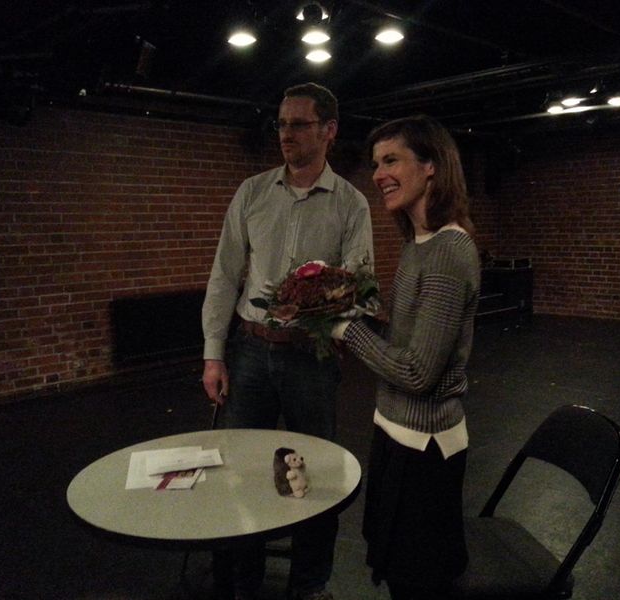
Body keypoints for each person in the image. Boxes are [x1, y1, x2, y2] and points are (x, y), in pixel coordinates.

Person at [201, 82, 374, 600]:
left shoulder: (351, 204)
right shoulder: (252, 192)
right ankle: (242, 580)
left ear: (329, 130)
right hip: (250, 351)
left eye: (299, 124)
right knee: (241, 470)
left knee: (314, 476)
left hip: (309, 359)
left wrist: (330, 318)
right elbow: (224, 275)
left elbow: (359, 285)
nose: (286, 133)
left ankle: (309, 585)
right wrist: (213, 354)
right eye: (281, 123)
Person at [330, 115, 480, 600]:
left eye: (392, 160)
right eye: (376, 164)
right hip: (396, 431)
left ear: (431, 166)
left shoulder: (448, 252)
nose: (379, 175)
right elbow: (405, 339)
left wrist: (344, 328)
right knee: (399, 574)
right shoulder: (418, 244)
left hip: (425, 447)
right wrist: (362, 314)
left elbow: (417, 372)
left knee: (419, 583)